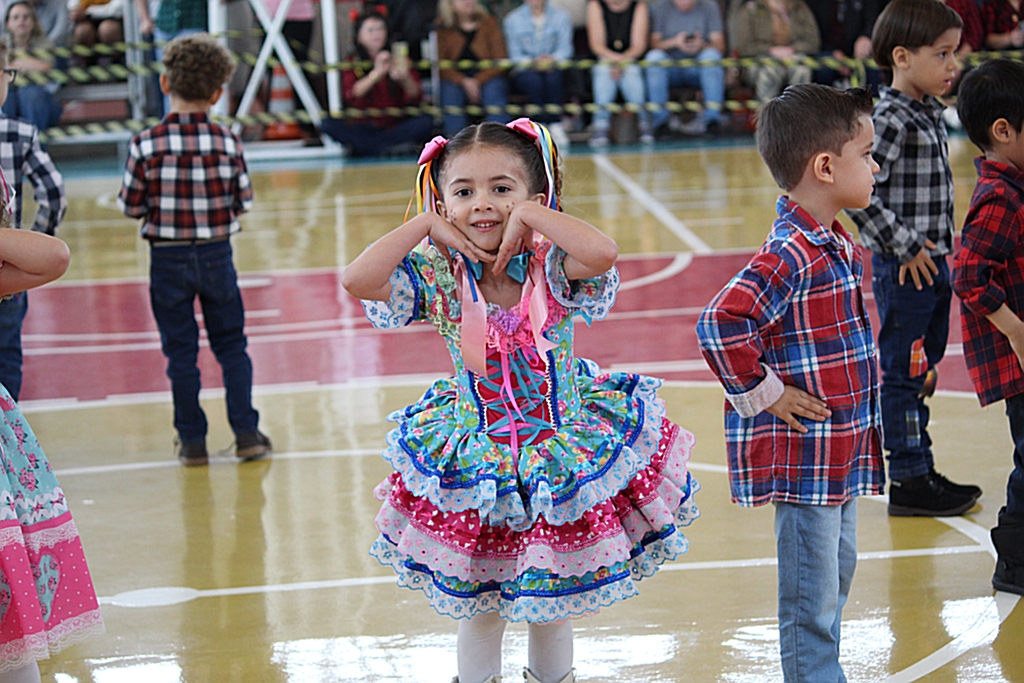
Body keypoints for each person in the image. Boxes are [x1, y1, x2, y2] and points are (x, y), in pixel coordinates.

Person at [342, 119, 700, 683]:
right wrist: (424, 227)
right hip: (478, 467)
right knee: (481, 610)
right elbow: (358, 278)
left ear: (534, 197)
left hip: (557, 461)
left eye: (502, 189)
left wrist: (532, 217)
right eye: (463, 192)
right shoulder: (440, 279)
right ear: (441, 202)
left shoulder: (550, 267)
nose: (482, 204)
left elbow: (602, 252)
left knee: (551, 611)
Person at [697, 83, 884, 683]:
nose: (876, 166)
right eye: (867, 153)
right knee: (812, 599)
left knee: (837, 575)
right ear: (825, 167)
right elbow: (720, 323)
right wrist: (767, 393)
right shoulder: (792, 252)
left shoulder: (833, 240)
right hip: (808, 459)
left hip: (839, 452)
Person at [846, 0, 981, 517]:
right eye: (943, 54)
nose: (954, 66)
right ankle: (908, 477)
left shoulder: (925, 111)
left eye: (955, 54)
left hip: (932, 265)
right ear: (902, 56)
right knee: (902, 373)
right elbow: (863, 195)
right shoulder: (891, 118)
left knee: (922, 368)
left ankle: (918, 462)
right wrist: (905, 245)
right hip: (906, 269)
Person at [117, 34, 272, 466]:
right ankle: (246, 432)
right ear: (218, 92)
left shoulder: (145, 143)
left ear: (165, 83)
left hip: (167, 258)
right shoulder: (227, 141)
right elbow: (243, 200)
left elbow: (131, 205)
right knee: (232, 346)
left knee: (180, 352)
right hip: (217, 254)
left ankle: (192, 441)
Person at [952, 58, 1024, 596]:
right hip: (1018, 359)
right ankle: (1015, 559)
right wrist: (1016, 330)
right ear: (1003, 131)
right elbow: (969, 276)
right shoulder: (1000, 196)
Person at [0, 42, 64, 403]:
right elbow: (53, 194)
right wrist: (34, 242)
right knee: (7, 354)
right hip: (10, 266)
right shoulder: (20, 133)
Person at [319, 7, 434, 157]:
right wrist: (376, 73)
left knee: (426, 121)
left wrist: (404, 78)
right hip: (364, 125)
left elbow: (416, 95)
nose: (377, 34)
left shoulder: (398, 58)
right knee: (328, 124)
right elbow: (351, 94)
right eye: (371, 30)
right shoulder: (352, 61)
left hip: (394, 124)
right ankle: (385, 148)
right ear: (359, 36)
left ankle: (372, 148)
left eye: (380, 29)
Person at [643, 0, 727, 137]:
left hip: (697, 68)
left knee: (712, 56)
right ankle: (660, 123)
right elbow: (653, 44)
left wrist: (701, 45)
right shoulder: (660, 7)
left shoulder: (709, 6)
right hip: (671, 68)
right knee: (654, 58)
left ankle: (712, 121)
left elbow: (720, 46)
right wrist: (675, 42)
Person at [502, 0, 574, 148]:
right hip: (525, 70)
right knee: (534, 81)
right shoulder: (512, 20)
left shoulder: (562, 17)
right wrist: (534, 63)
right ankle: (539, 126)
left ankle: (555, 124)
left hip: (553, 67)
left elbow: (566, 50)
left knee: (553, 78)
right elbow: (514, 55)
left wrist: (551, 60)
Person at [436, 0, 512, 137]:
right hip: (455, 78)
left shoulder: (489, 22)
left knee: (494, 90)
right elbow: (440, 66)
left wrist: (476, 81)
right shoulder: (442, 27)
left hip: (487, 75)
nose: (468, 2)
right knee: (449, 92)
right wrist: (464, 81)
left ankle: (500, 139)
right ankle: (455, 141)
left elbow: (500, 61)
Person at [585, 0, 651, 146]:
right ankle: (601, 125)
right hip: (606, 58)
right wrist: (615, 60)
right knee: (603, 70)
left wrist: (622, 62)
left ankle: (644, 122)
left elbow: (639, 45)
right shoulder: (595, 5)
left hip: (630, 58)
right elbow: (596, 44)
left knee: (631, 71)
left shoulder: (638, 6)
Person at [731, 0, 820, 103]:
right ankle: (767, 113)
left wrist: (792, 49)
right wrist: (771, 50)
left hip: (793, 55)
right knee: (770, 70)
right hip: (759, 59)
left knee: (801, 69)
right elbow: (745, 47)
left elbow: (813, 42)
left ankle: (798, 113)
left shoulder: (799, 7)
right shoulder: (751, 9)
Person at [2, 2, 62, 134]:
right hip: (11, 98)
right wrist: (29, 63)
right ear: (7, 23)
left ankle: (33, 149)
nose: (21, 21)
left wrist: (16, 63)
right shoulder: (2, 43)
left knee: (30, 94)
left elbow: (46, 67)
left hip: (41, 101)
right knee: (6, 97)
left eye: (26, 17)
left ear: (34, 22)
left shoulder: (45, 43)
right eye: (16, 17)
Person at [803, 0, 879, 89]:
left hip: (857, 53)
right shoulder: (816, 4)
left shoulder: (866, 3)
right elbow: (814, 35)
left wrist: (865, 37)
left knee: (871, 69)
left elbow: (872, 22)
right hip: (827, 51)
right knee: (824, 71)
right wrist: (833, 52)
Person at [69, 0, 125, 64]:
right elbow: (73, 6)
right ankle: (88, 64)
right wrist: (75, 11)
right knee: (83, 31)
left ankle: (117, 62)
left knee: (108, 29)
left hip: (111, 18)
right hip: (86, 20)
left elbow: (116, 10)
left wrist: (88, 12)